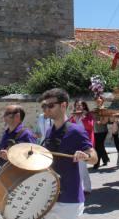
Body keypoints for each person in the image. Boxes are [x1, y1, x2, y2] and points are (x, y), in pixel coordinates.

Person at [40, 88, 98, 219]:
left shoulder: (76, 131)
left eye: (50, 105)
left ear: (63, 105)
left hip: (69, 200)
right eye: (44, 106)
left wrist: (86, 156)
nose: (46, 109)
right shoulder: (50, 131)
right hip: (49, 196)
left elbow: (94, 157)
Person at [69, 99, 94, 194]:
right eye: (77, 105)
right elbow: (69, 128)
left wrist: (83, 118)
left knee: (82, 166)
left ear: (83, 106)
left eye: (80, 105)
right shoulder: (73, 117)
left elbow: (90, 127)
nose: (78, 107)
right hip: (75, 144)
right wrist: (74, 118)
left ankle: (83, 188)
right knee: (79, 166)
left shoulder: (88, 116)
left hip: (85, 144)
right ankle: (85, 187)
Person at [92, 96, 110, 169]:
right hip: (96, 130)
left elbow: (106, 120)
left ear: (102, 101)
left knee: (98, 146)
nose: (98, 101)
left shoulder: (105, 109)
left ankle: (97, 163)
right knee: (100, 146)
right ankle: (105, 159)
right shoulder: (94, 110)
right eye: (96, 100)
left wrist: (101, 122)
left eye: (99, 100)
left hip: (103, 131)